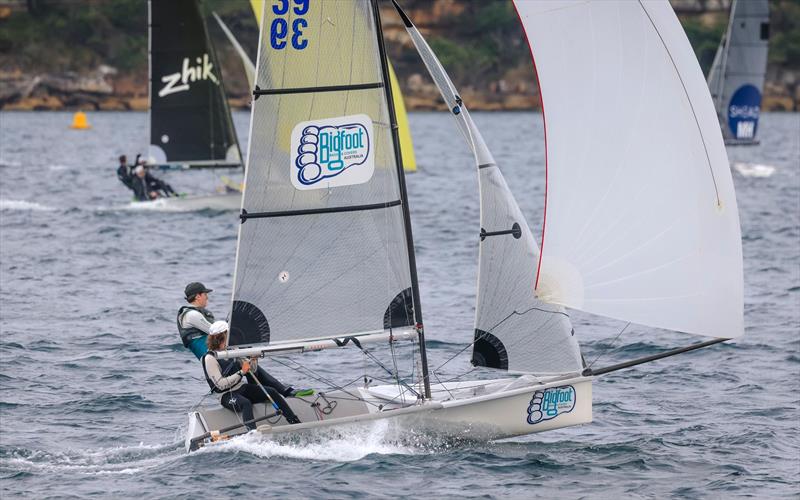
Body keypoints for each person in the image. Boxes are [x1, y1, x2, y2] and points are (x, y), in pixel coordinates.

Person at [177, 282, 312, 398]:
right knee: (247, 365)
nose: (207, 297)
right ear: (198, 296)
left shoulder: (196, 313)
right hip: (213, 357)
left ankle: (271, 394)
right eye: (205, 294)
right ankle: (284, 392)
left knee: (250, 365)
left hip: (219, 353)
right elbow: (215, 331)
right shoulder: (192, 315)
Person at [202, 321, 301, 429]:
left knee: (272, 391)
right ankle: (252, 433)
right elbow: (220, 384)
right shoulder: (210, 358)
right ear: (220, 337)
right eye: (229, 334)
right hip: (226, 395)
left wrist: (254, 359)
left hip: (241, 388)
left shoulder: (233, 350)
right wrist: (241, 372)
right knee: (246, 403)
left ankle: (294, 421)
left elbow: (252, 370)